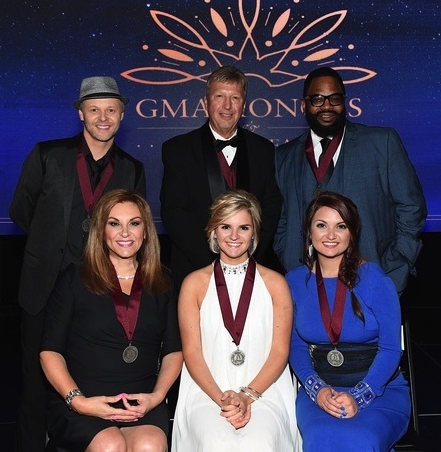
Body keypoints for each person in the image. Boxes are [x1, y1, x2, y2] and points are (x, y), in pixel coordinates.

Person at [10, 76, 146, 451]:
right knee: (35, 383)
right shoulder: (47, 155)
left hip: (97, 291)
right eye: (94, 109)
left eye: (111, 110)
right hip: (44, 286)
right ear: (81, 114)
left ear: (122, 114)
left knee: (87, 378)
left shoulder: (132, 169)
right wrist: (48, 244)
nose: (103, 117)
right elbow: (21, 210)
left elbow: (135, 230)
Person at [40, 190, 182, 452]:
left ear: (146, 231)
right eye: (114, 223)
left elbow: (174, 351)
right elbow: (50, 352)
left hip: (142, 400)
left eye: (134, 223)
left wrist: (156, 398)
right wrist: (79, 401)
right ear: (101, 231)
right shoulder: (75, 279)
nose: (125, 233)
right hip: (84, 400)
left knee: (149, 445)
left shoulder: (163, 282)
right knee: (110, 445)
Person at [275, 67, 427, 294]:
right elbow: (281, 219)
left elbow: (411, 207)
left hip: (373, 282)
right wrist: (288, 257)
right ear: (303, 105)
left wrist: (396, 264)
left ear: (344, 103)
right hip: (306, 288)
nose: (327, 106)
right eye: (317, 99)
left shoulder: (381, 143)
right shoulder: (284, 155)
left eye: (335, 98)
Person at [172, 190, 298, 451]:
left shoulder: (276, 284)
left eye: (243, 227)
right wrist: (222, 399)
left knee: (260, 442)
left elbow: (279, 352)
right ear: (213, 231)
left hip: (264, 391)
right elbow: (192, 352)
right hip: (206, 391)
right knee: (215, 442)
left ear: (254, 233)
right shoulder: (193, 284)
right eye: (225, 226)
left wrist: (246, 396)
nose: (233, 236)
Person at [287, 191, 410, 451]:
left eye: (340, 226)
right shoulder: (294, 282)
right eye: (322, 225)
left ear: (352, 233)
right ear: (309, 231)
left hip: (380, 391)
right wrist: (318, 390)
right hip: (319, 393)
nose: (331, 235)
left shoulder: (376, 280)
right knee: (321, 437)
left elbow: (391, 349)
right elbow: (295, 347)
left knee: (361, 439)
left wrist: (359, 396)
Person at [160, 66, 283, 290]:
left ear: (243, 106)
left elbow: (272, 205)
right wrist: (216, 263)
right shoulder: (177, 149)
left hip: (252, 271)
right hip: (196, 272)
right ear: (206, 102)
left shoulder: (263, 149)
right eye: (219, 96)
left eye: (234, 97)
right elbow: (173, 212)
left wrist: (248, 255)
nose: (227, 106)